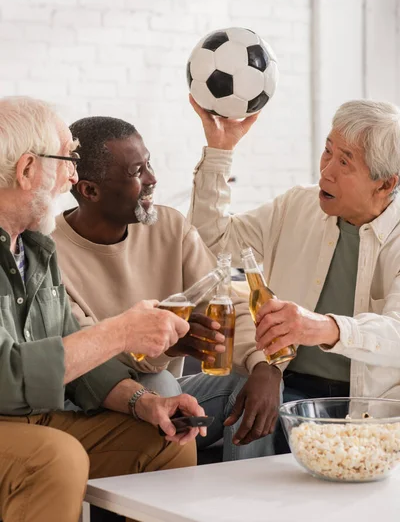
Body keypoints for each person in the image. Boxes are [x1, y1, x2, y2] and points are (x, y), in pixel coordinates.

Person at [0, 96, 205, 522]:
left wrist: (144, 402)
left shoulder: (36, 248)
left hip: (36, 420)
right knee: (57, 457)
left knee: (167, 442)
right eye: (66, 159)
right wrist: (120, 333)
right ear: (26, 171)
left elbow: (72, 348)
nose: (72, 176)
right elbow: (6, 375)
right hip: (16, 425)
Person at [51, 115, 282, 462]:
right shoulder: (50, 255)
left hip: (168, 395)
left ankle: (244, 508)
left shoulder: (170, 227)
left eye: (149, 163)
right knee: (159, 384)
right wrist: (168, 347)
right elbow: (87, 363)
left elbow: (224, 298)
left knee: (246, 390)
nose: (152, 178)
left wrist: (264, 365)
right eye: (136, 171)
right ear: (90, 190)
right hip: (93, 409)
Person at [188, 95, 400, 450]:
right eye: (328, 151)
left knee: (255, 413)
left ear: (385, 185)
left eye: (345, 162)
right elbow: (211, 241)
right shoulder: (296, 206)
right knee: (203, 399)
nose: (326, 170)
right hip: (283, 380)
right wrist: (219, 150)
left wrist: (322, 327)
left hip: (360, 407)